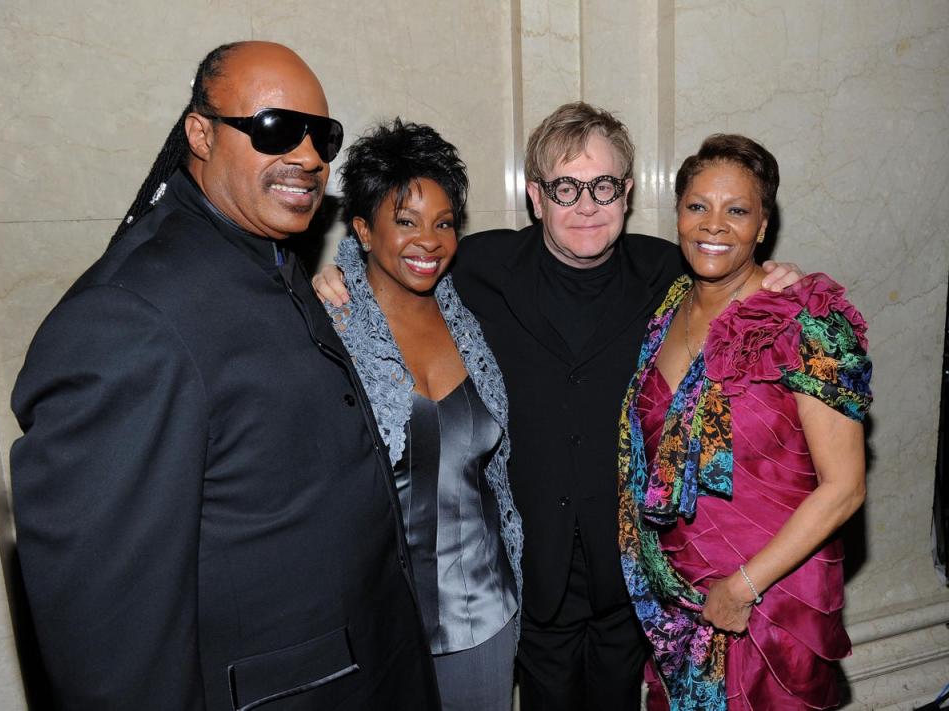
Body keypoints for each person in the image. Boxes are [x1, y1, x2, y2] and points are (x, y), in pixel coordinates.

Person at [314, 102, 803, 711]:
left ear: (626, 193)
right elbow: (401, 254)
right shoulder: (480, 267)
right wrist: (337, 278)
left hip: (630, 570)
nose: (586, 205)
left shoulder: (669, 275)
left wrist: (777, 278)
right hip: (531, 569)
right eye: (565, 187)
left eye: (602, 186)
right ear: (536, 197)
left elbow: (735, 270)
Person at [9, 41, 439, 711]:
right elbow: (110, 644)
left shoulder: (260, 251)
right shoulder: (130, 316)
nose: (307, 156)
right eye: (274, 129)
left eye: (321, 136)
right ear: (200, 134)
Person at [617, 134, 871, 709]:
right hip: (678, 599)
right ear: (677, 213)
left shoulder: (808, 325)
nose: (713, 225)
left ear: (762, 226)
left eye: (737, 210)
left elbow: (845, 487)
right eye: (697, 206)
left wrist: (743, 587)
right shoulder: (666, 308)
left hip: (772, 599)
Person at [326, 119, 523, 710]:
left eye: (443, 223)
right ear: (362, 229)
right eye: (405, 221)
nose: (428, 241)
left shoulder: (471, 314)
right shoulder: (328, 327)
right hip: (371, 626)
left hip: (482, 619)